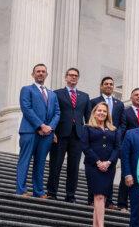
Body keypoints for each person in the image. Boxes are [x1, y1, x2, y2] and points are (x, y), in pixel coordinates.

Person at [15, 63, 59, 199]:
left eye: (43, 71)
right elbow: (26, 108)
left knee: (40, 163)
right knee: (25, 160)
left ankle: (38, 191)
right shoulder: (27, 89)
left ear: (46, 75)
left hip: (46, 134)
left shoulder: (52, 94)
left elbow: (57, 113)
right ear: (33, 74)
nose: (40, 73)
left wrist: (50, 128)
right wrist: (40, 126)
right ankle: (21, 190)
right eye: (38, 71)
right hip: (29, 132)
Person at [47, 67, 89, 203]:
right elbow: (51, 114)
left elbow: (88, 119)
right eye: (71, 75)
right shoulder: (56, 94)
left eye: (76, 76)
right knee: (56, 164)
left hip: (77, 136)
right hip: (59, 134)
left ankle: (70, 195)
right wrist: (52, 131)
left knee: (74, 167)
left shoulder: (85, 96)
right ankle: (52, 192)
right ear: (66, 77)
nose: (73, 78)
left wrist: (86, 137)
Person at [79, 100, 119, 227]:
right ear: (94, 113)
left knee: (101, 198)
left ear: (107, 114)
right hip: (93, 166)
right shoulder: (88, 127)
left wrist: (108, 162)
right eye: (99, 111)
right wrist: (98, 162)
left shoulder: (113, 129)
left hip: (109, 166)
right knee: (99, 197)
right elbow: (85, 146)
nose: (101, 113)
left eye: (104, 111)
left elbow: (117, 148)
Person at [88, 76, 122, 207]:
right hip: (96, 142)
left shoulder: (119, 104)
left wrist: (117, 133)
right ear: (101, 86)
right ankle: (91, 199)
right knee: (94, 175)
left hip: (112, 141)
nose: (109, 86)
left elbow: (122, 123)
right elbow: (89, 118)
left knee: (110, 173)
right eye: (106, 84)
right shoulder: (94, 101)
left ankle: (109, 201)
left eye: (111, 84)